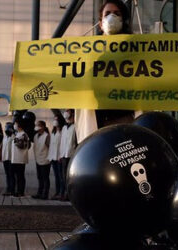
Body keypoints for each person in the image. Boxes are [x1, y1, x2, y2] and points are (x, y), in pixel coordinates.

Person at [75, 0, 134, 143]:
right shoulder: (88, 54)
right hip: (98, 124)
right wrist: (25, 81)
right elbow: (67, 78)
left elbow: (157, 79)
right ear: (100, 24)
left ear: (123, 20)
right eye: (107, 14)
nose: (111, 17)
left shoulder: (137, 51)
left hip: (127, 123)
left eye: (116, 13)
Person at [59, 109, 77, 201]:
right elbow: (62, 142)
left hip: (71, 154)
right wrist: (60, 154)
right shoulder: (64, 127)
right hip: (64, 155)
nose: (65, 112)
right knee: (63, 176)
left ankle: (70, 195)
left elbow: (76, 141)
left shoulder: (75, 127)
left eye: (68, 111)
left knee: (71, 176)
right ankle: (65, 193)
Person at [32, 120, 51, 200]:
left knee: (45, 177)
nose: (36, 127)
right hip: (38, 159)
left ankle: (45, 194)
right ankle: (39, 193)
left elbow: (50, 147)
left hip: (45, 159)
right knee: (39, 177)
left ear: (43, 127)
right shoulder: (36, 136)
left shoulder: (47, 136)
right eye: (36, 125)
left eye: (38, 125)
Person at [10, 120, 30, 197]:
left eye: (15, 124)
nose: (14, 125)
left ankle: (20, 191)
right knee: (15, 176)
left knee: (20, 176)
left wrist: (14, 139)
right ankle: (15, 190)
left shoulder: (24, 134)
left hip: (20, 159)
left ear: (19, 125)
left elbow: (22, 145)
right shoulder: (17, 134)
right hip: (14, 159)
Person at [48, 115, 64, 200]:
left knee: (61, 177)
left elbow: (62, 145)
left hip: (59, 158)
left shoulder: (62, 132)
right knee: (56, 177)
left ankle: (62, 193)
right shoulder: (53, 132)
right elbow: (51, 146)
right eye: (54, 119)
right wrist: (50, 157)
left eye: (56, 120)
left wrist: (60, 156)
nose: (55, 121)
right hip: (53, 157)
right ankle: (57, 192)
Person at [2, 122, 14, 196]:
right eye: (5, 126)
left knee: (11, 175)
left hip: (11, 158)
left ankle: (12, 190)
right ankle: (8, 189)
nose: (6, 128)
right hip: (5, 158)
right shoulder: (5, 137)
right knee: (7, 175)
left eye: (7, 127)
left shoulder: (13, 137)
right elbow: (3, 148)